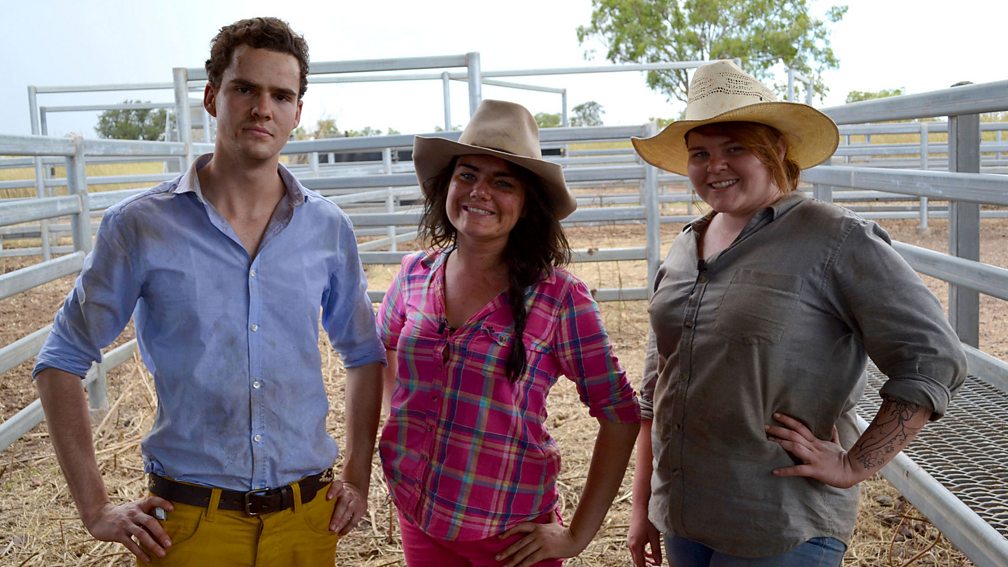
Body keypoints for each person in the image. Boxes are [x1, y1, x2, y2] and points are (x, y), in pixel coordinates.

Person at [33, 17, 386, 566]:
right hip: (189, 524)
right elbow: (60, 360)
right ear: (211, 97)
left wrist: (358, 476)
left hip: (306, 522)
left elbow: (364, 353)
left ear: (297, 112)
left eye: (281, 94)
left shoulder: (327, 229)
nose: (262, 108)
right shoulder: (140, 226)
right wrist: (95, 508)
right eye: (244, 88)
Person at [626, 60, 967, 567]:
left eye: (735, 148)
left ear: (775, 151)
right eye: (700, 153)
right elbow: (658, 389)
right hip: (683, 514)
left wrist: (855, 464)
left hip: (779, 522)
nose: (714, 165)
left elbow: (933, 358)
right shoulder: (684, 247)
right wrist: (642, 505)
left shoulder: (836, 238)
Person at [377, 99, 641, 567]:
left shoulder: (559, 298)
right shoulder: (413, 275)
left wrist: (577, 534)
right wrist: (402, 424)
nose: (480, 192)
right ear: (447, 185)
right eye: (468, 175)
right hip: (419, 516)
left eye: (503, 182)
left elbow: (619, 413)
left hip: (511, 537)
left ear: (527, 205)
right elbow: (385, 350)